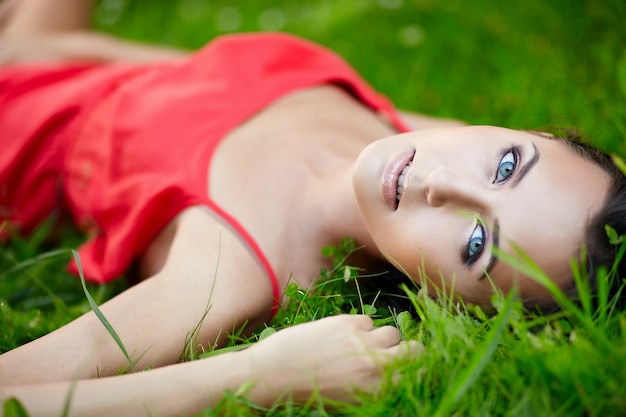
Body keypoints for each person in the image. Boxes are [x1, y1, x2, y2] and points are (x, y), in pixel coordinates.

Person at [0, 0, 624, 416]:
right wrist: (48, 47)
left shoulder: (227, 273)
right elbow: (190, 75)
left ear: (451, 302)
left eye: (474, 245)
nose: (445, 186)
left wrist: (256, 376)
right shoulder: (422, 141)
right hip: (68, 53)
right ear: (534, 133)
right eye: (510, 165)